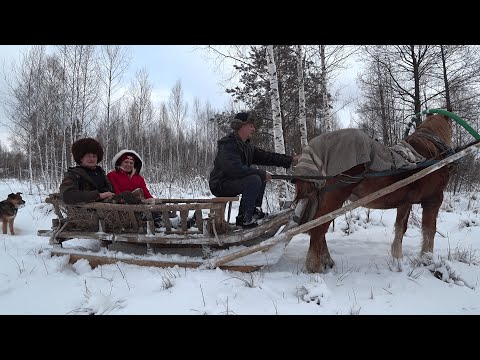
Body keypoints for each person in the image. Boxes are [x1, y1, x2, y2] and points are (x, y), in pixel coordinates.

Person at [209, 112, 300, 228]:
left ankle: (252, 211)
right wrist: (261, 173)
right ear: (240, 126)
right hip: (220, 184)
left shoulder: (246, 146)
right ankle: (244, 218)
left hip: (232, 181)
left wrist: (290, 160)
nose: (254, 129)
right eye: (251, 126)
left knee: (258, 178)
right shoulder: (228, 145)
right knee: (255, 179)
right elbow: (235, 169)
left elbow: (267, 156)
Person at [59, 138, 116, 204]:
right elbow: (67, 195)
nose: (91, 159)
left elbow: (110, 190)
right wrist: (99, 196)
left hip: (107, 208)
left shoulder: (101, 173)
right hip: (84, 212)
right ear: (81, 158)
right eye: (88, 156)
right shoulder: (74, 174)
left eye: (94, 156)